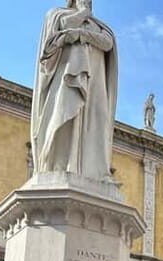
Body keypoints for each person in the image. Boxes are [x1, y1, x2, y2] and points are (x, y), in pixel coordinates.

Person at [31, 0, 117, 179]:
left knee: (96, 121)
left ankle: (92, 171)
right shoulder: (57, 14)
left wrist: (79, 34)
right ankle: (61, 165)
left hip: (95, 85)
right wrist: (82, 15)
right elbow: (62, 27)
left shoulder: (98, 25)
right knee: (65, 115)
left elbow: (107, 43)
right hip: (66, 76)